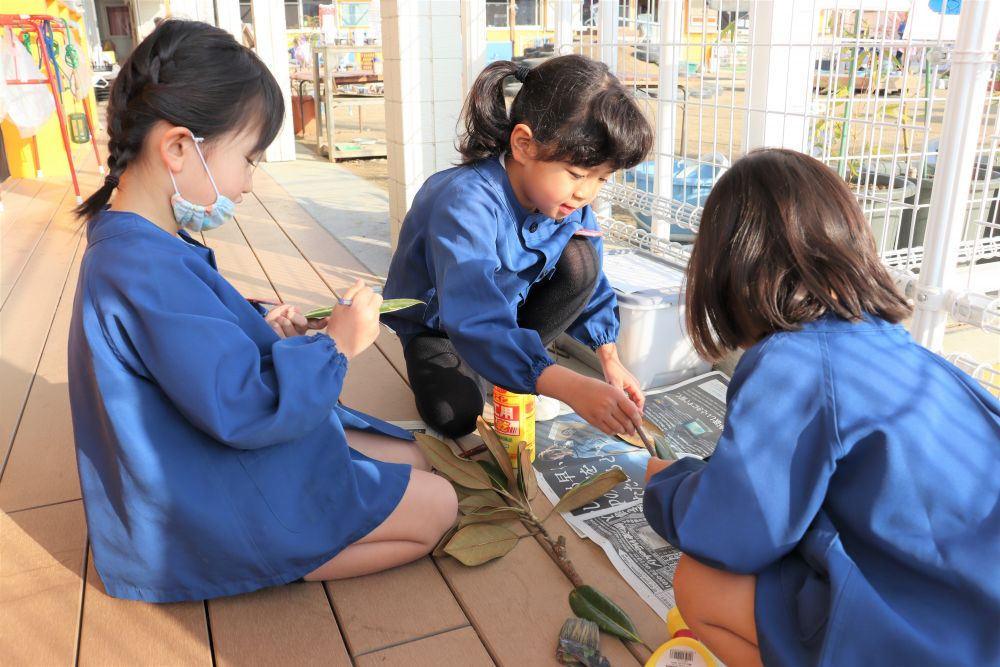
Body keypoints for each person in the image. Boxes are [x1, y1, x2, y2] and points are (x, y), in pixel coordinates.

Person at [68, 20, 457, 603]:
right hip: (194, 499)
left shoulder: (137, 241)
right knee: (441, 509)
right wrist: (337, 346)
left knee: (415, 457)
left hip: (193, 454)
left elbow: (194, 350)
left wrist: (262, 326)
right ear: (178, 148)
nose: (250, 182)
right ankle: (268, 556)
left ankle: (292, 532)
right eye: (249, 158)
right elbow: (243, 407)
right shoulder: (142, 267)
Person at [642, 149, 1000, 666]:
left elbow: (735, 533)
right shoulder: (895, 349)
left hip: (936, 645)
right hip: (975, 621)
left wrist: (667, 484)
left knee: (699, 584)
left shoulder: (793, 361)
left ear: (726, 268)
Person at [382, 55, 654, 439]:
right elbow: (473, 314)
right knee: (455, 416)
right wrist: (572, 387)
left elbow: (593, 285)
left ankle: (521, 367)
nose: (586, 192)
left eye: (602, 179)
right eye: (577, 174)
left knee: (582, 262)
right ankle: (522, 369)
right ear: (524, 144)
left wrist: (610, 360)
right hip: (441, 325)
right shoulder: (465, 202)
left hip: (506, 316)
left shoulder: (566, 201)